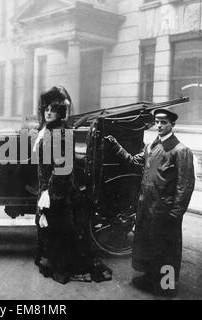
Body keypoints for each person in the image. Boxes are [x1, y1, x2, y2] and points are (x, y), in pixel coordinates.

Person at [105, 108, 195, 297]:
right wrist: (115, 145)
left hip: (165, 211)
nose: (160, 125)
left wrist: (175, 214)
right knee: (148, 245)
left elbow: (185, 186)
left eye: (164, 122)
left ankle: (167, 286)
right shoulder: (150, 148)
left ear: (173, 125)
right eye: (157, 122)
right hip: (147, 207)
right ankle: (150, 278)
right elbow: (132, 161)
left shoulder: (181, 151)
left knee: (167, 251)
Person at [34, 86, 112, 284]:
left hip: (59, 191)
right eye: (46, 109)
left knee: (60, 231)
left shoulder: (60, 134)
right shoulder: (49, 130)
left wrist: (48, 193)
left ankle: (67, 268)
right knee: (51, 228)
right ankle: (50, 260)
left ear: (60, 112)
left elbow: (61, 169)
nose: (48, 112)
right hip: (50, 187)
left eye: (52, 109)